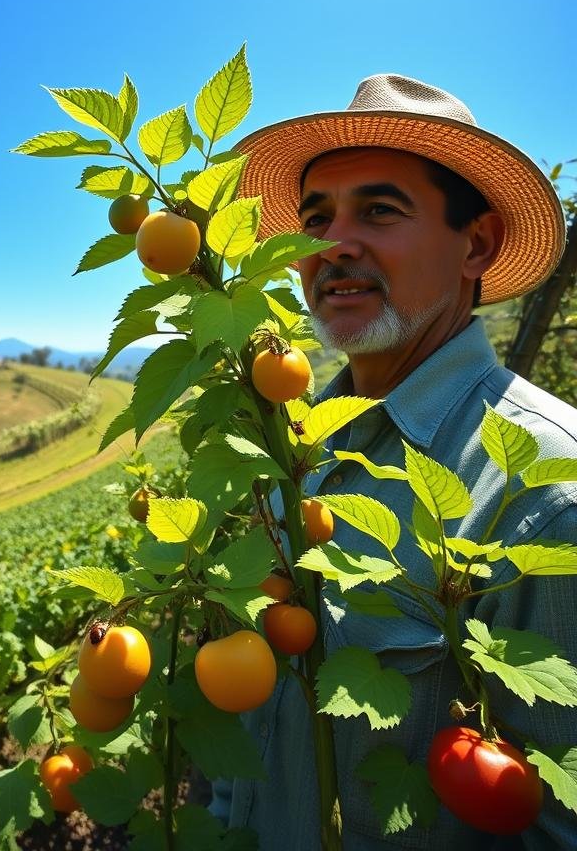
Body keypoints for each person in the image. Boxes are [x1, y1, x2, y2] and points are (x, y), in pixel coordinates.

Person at [208, 75, 577, 849]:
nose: (333, 244)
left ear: (474, 244)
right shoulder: (285, 449)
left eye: (379, 210)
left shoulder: (549, 490)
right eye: (316, 218)